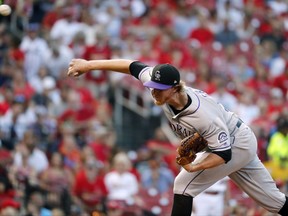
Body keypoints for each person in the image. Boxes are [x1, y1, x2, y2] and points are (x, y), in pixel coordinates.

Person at [67, 58, 288, 216]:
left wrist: (192, 168)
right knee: (274, 202)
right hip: (236, 138)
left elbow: (224, 155)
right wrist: (90, 65)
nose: (153, 92)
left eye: (159, 89)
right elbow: (132, 66)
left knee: (183, 184)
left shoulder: (202, 116)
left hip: (234, 144)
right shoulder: (164, 87)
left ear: (174, 89)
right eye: (152, 86)